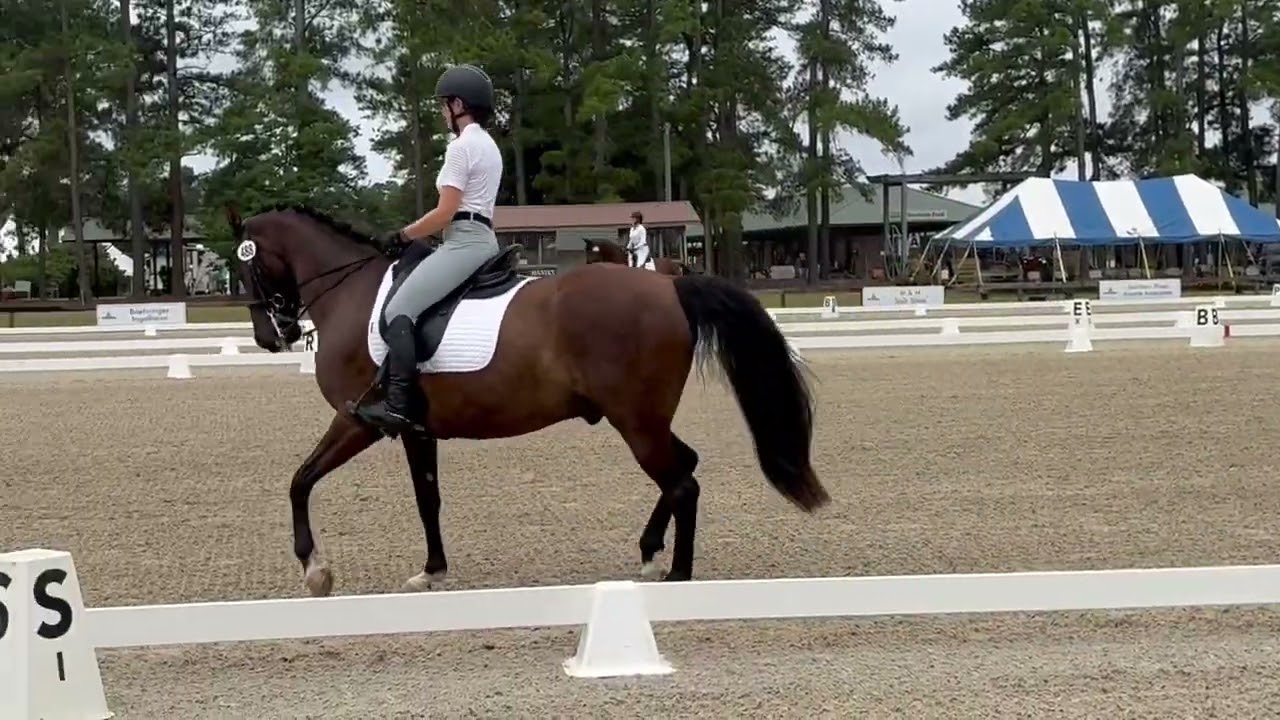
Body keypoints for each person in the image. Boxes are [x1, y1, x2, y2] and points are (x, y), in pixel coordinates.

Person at [349, 63, 503, 435]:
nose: (441, 113)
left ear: (457, 105)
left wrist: (402, 235)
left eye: (443, 106)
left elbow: (446, 212)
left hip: (464, 242)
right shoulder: (489, 145)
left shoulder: (461, 147)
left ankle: (398, 405)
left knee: (399, 309)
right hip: (480, 238)